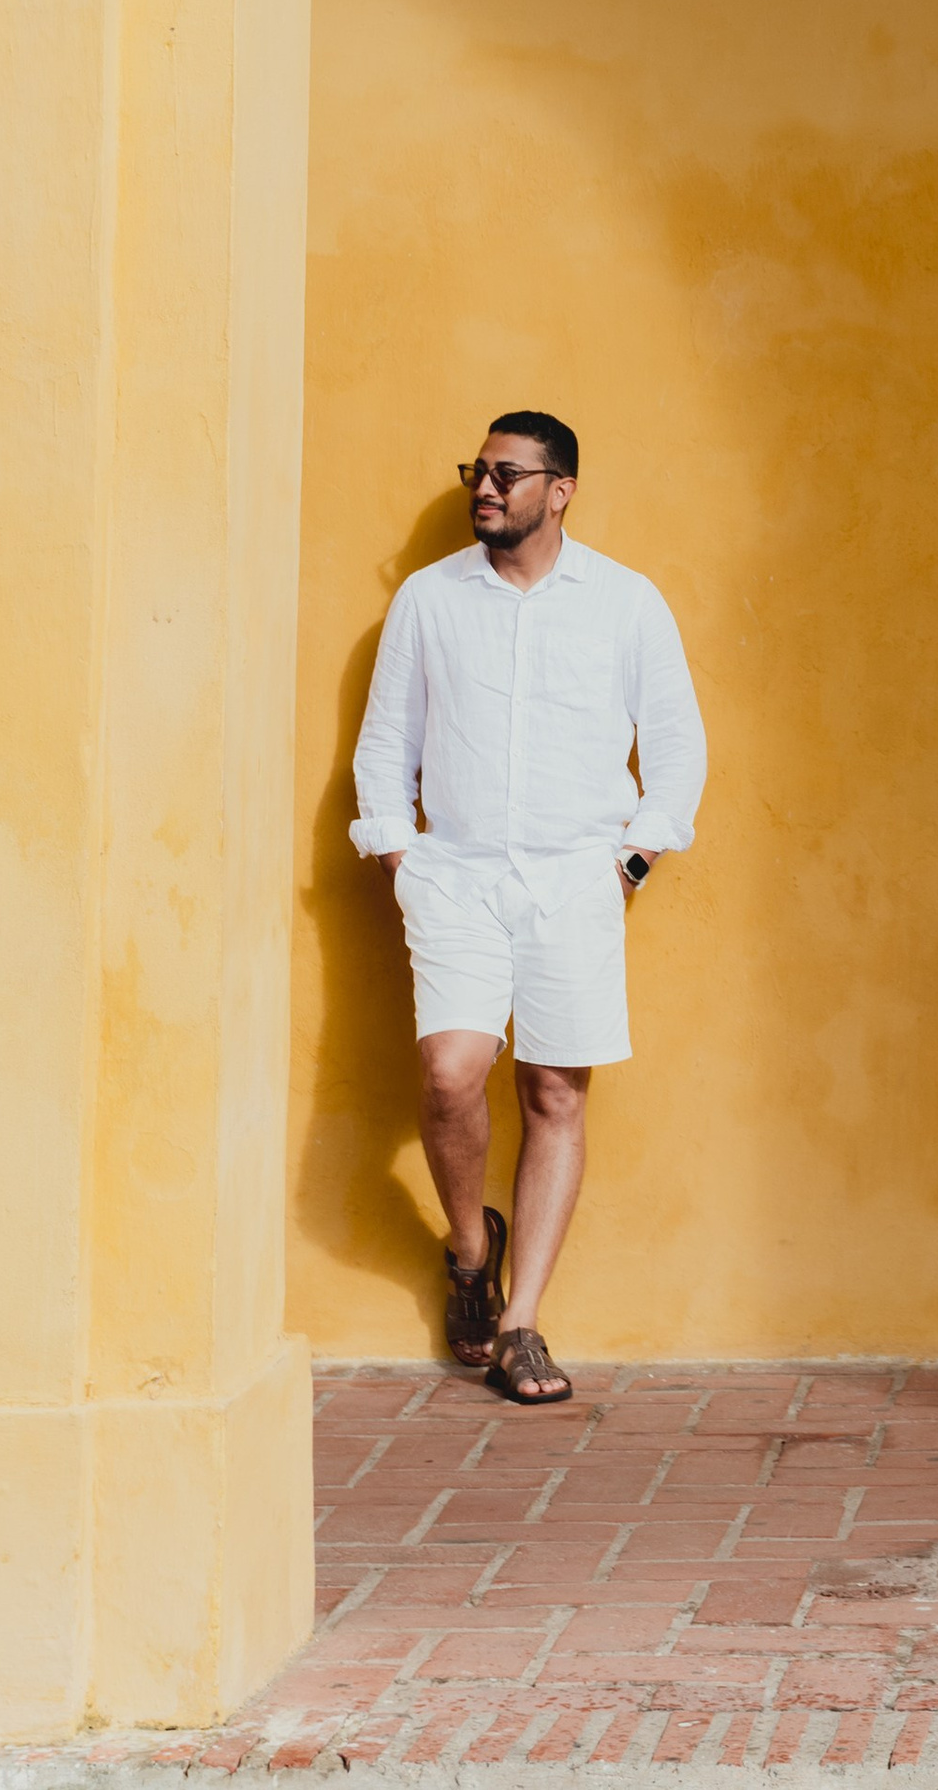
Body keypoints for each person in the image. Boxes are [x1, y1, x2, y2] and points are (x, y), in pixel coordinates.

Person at [351, 411, 708, 1405]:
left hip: (573, 882)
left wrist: (631, 861)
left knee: (555, 1094)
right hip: (456, 877)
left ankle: (519, 1326)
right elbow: (388, 743)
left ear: (561, 489)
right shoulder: (430, 599)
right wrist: (396, 853)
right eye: (478, 470)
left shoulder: (626, 604)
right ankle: (472, 1249)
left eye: (509, 474)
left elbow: (676, 748)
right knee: (450, 1074)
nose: (485, 488)